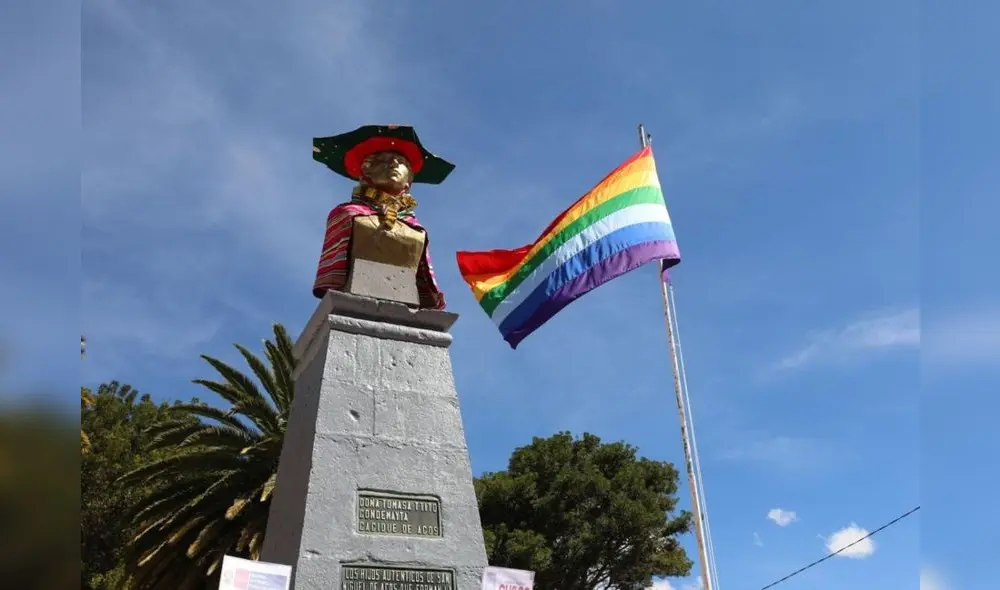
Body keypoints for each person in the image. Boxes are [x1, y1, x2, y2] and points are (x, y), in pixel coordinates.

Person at [310, 125, 455, 310]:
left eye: (401, 161)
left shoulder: (415, 227)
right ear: (367, 170)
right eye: (384, 160)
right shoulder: (347, 214)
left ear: (409, 179)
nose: (394, 164)